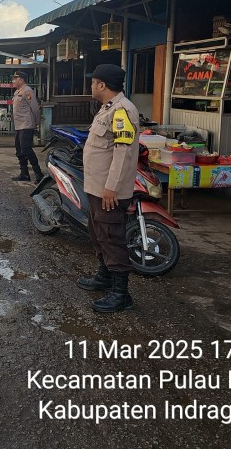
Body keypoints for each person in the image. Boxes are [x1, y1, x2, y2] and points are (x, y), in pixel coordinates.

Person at [78, 64, 139, 314]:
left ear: (102, 85)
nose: (91, 86)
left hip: (109, 191)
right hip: (97, 188)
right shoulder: (107, 108)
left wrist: (112, 188)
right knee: (98, 234)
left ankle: (121, 294)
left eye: (93, 82)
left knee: (112, 238)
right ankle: (104, 276)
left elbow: (122, 153)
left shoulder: (123, 110)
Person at [11, 71, 43, 183]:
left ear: (21, 80)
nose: (13, 81)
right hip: (18, 126)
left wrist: (37, 123)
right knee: (19, 150)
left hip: (27, 125)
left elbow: (35, 108)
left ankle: (39, 174)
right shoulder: (17, 93)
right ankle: (24, 174)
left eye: (15, 78)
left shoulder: (28, 91)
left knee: (26, 149)